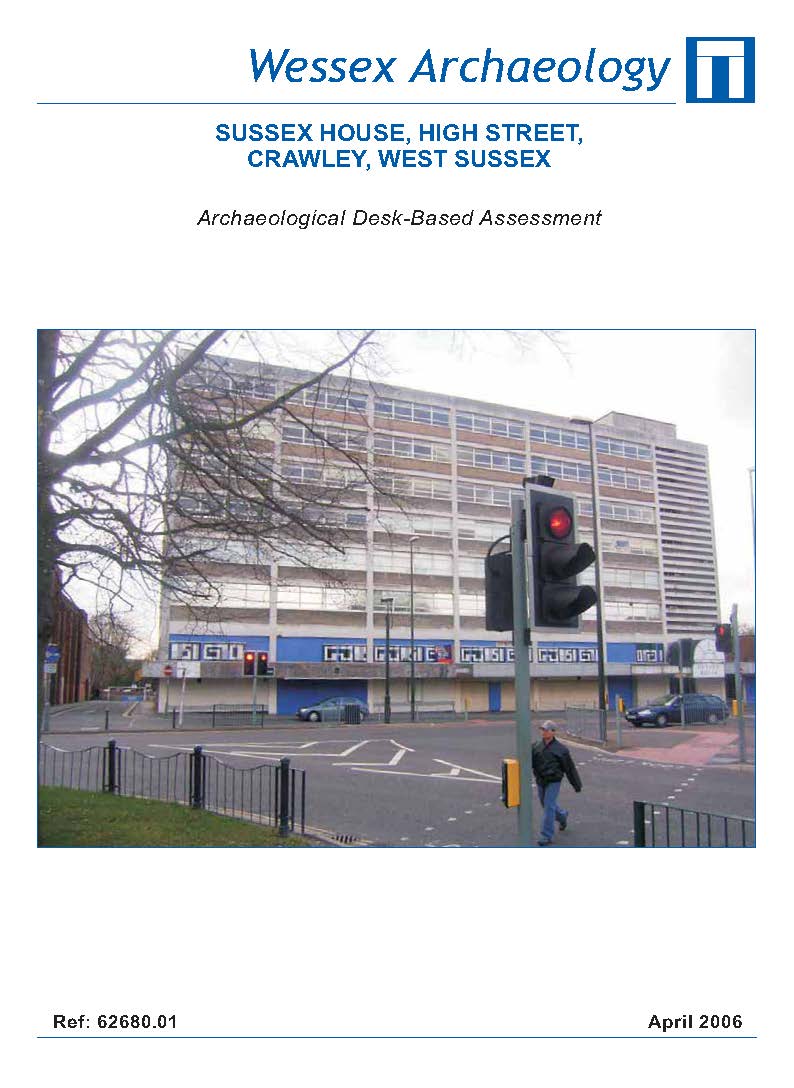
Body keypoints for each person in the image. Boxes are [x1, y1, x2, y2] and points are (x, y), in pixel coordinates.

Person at [531, 721, 582, 846]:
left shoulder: (561, 749)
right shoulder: (536, 746)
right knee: (546, 805)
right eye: (542, 729)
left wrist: (576, 785)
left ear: (553, 732)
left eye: (546, 730)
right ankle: (562, 816)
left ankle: (546, 835)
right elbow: (530, 763)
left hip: (554, 781)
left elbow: (569, 768)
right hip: (540, 780)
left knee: (549, 806)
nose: (544, 732)